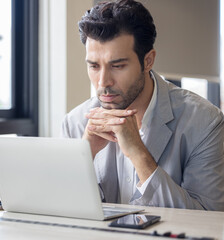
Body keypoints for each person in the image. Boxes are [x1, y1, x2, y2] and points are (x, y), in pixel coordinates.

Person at [61, 0, 224, 211]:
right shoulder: (75, 122)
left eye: (117, 66)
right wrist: (84, 155)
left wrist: (138, 153)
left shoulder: (204, 122)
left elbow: (210, 219)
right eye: (94, 66)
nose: (103, 82)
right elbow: (62, 213)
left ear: (148, 61)